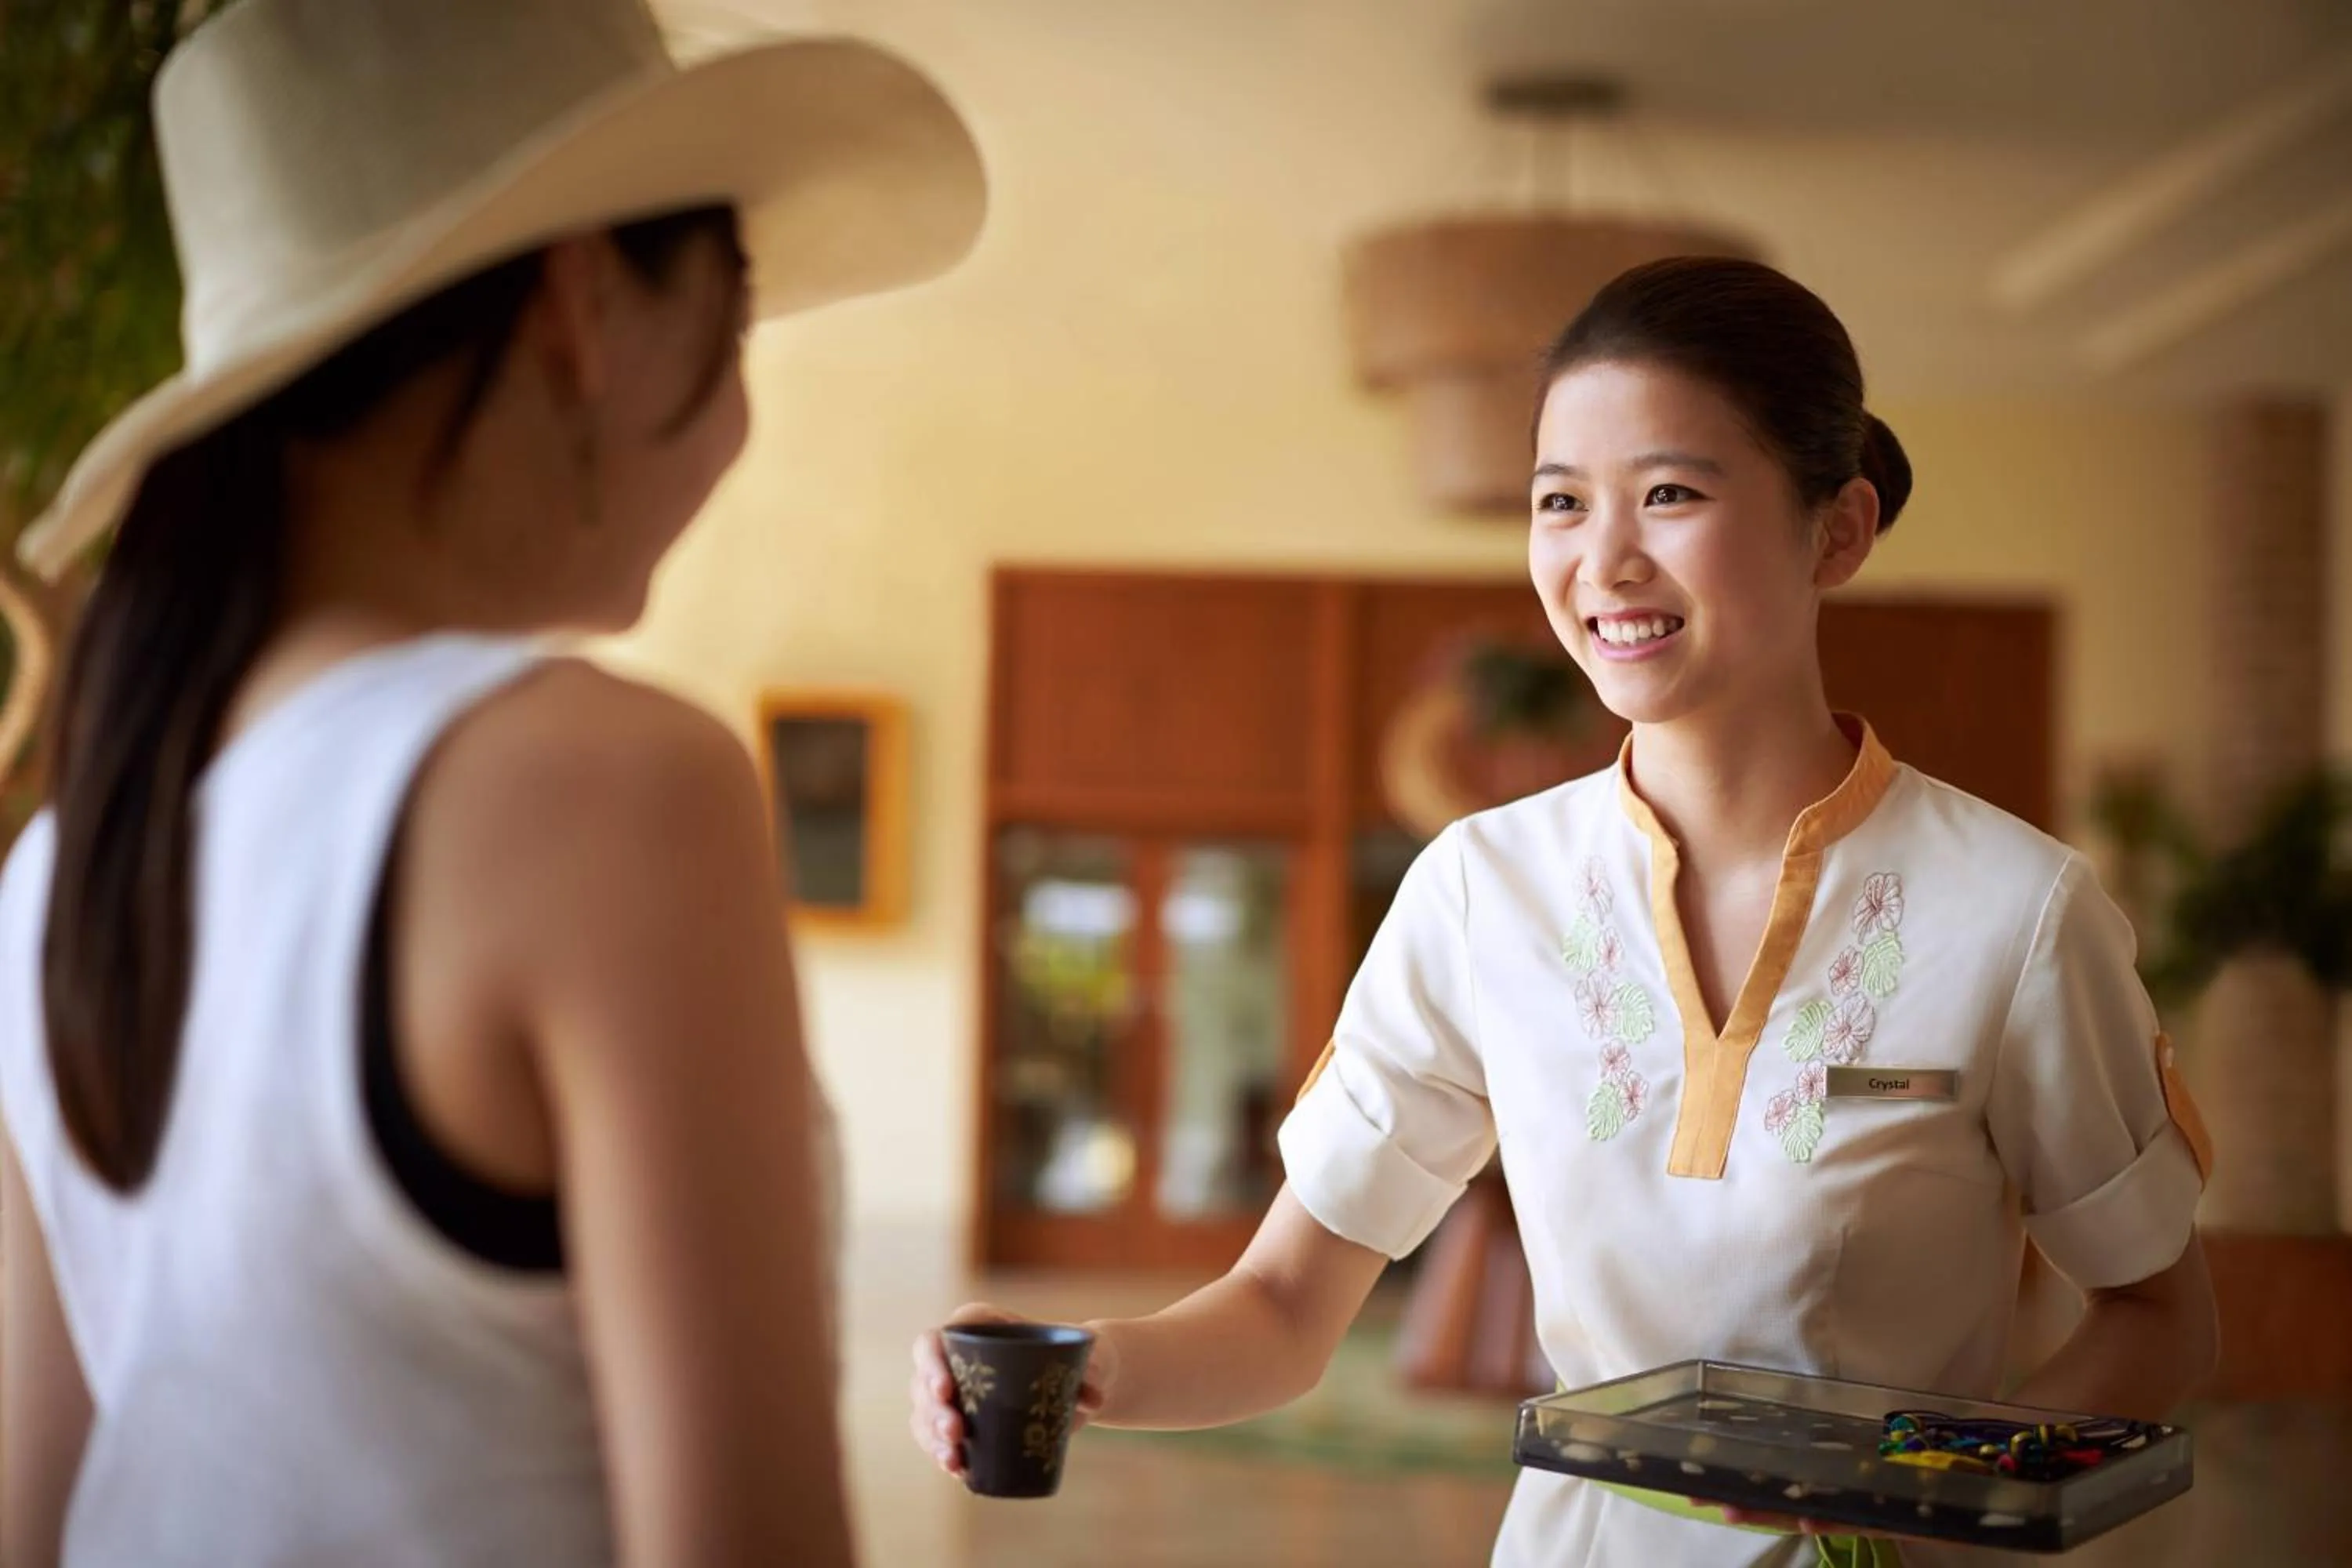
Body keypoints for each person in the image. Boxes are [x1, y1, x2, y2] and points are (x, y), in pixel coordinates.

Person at [911, 256, 2219, 1566]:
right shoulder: (1483, 893)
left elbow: (2158, 1312)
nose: (1604, 560)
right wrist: (1085, 1372)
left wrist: (1928, 1522)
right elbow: (1285, 1304)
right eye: (1559, 502)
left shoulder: (2017, 911)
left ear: (1838, 529)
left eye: (1669, 493)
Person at [0, 1, 982, 1563]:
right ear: (582, 307)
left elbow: (40, 1511)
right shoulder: (603, 790)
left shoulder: (59, 867)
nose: (735, 417)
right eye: (729, 329)